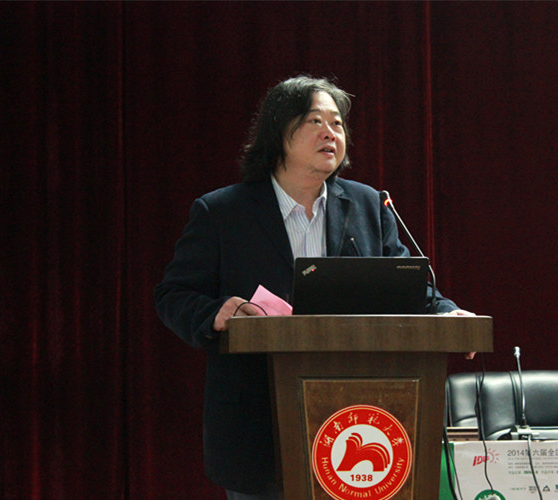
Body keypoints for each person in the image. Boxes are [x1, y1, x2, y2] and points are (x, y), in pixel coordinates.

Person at [154, 75, 473, 500]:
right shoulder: (223, 212)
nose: (331, 133)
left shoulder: (368, 205)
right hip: (258, 425)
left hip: (359, 415)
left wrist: (446, 313)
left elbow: (405, 287)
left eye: (337, 124)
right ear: (279, 131)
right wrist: (218, 312)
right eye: (315, 121)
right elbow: (174, 295)